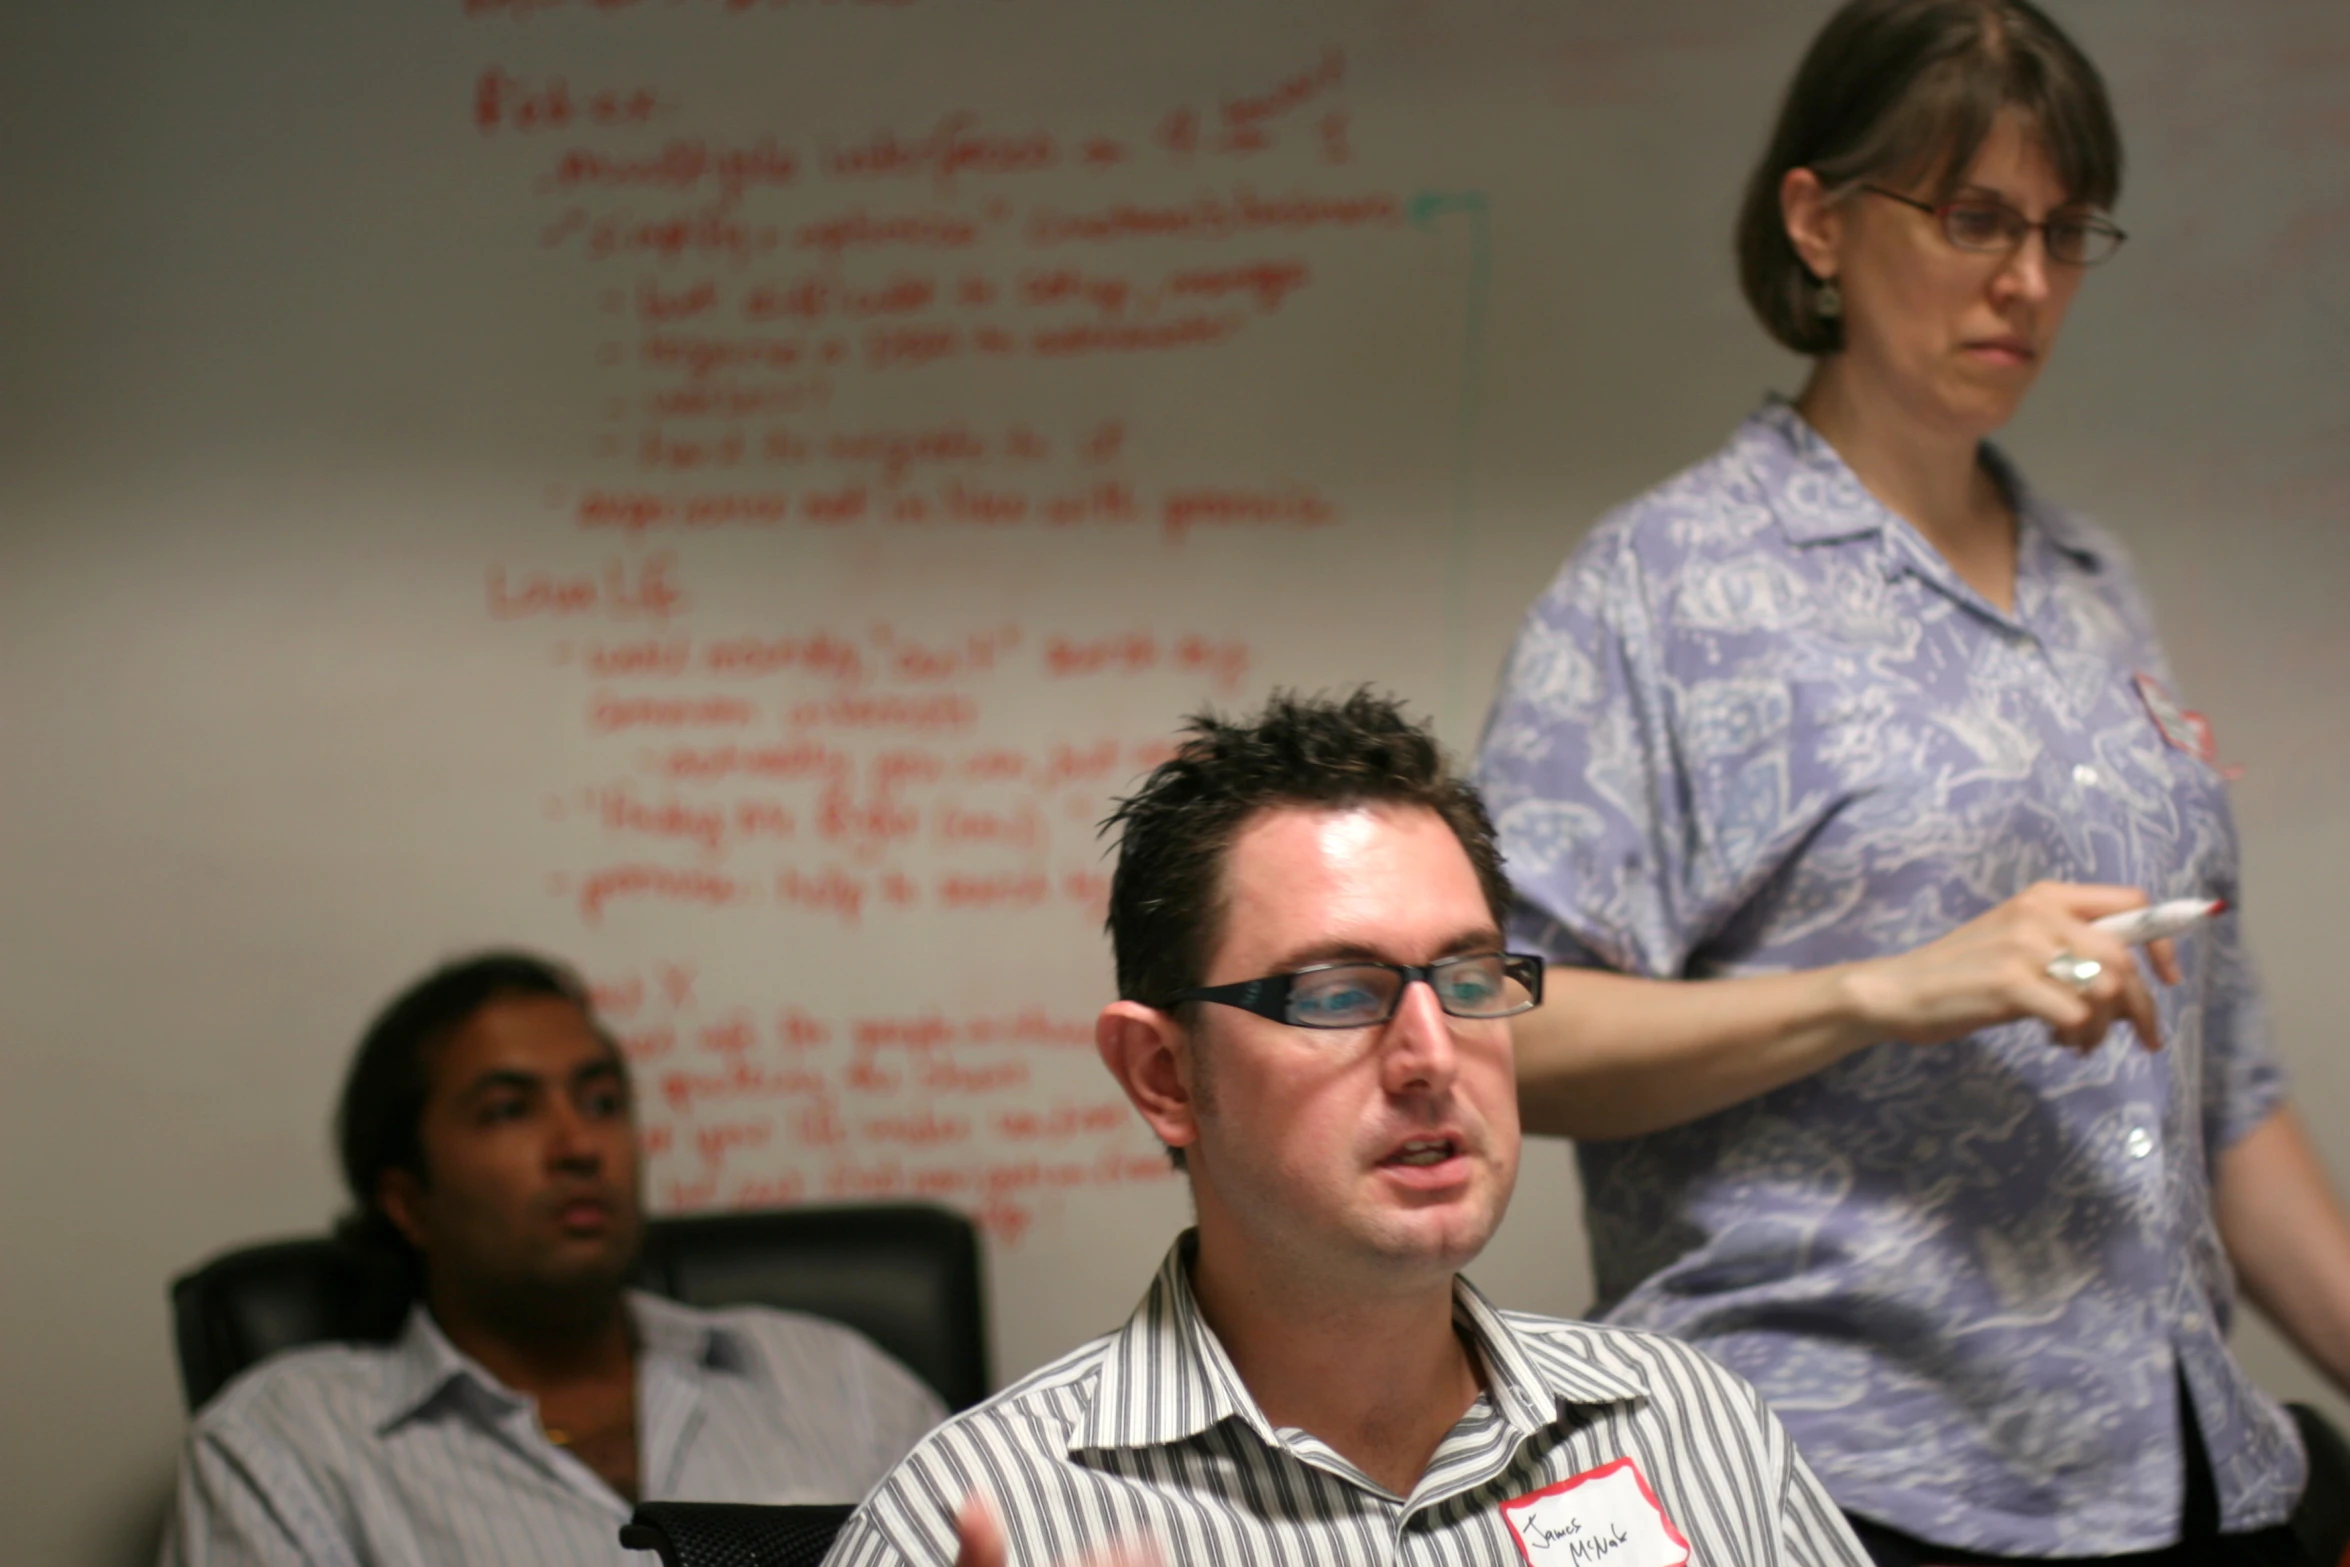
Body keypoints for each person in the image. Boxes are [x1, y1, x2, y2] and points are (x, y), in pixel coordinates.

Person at [1476, 2, 2350, 1562]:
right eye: (1971, 219)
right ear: (1816, 221)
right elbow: (1506, 1025)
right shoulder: (1663, 581)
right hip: (1829, 1476)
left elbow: (2229, 1091)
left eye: (2063, 231)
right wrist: (1897, 986)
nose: (2024, 279)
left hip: (2173, 1462)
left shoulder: (2095, 585)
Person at [825, 690, 1871, 1567]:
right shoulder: (966, 1517)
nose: (1430, 1053)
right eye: (1335, 994)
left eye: (1467, 979)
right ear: (1164, 1074)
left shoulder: (1695, 1431)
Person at [161, 951, 946, 1567]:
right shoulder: (286, 1450)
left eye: (602, 1100)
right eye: (509, 1109)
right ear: (407, 1201)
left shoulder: (839, 1382)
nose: (579, 1145)